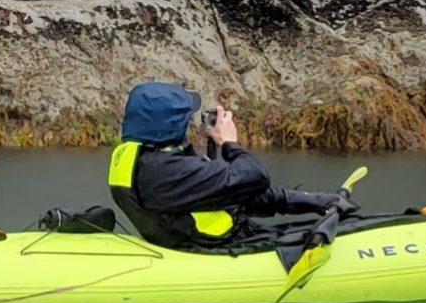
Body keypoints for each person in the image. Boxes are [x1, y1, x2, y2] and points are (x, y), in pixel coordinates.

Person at [107, 81, 357, 252]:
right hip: (218, 248)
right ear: (170, 125)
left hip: (198, 239)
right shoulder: (163, 172)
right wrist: (228, 144)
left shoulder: (140, 157)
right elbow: (255, 177)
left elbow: (229, 192)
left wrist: (313, 201)